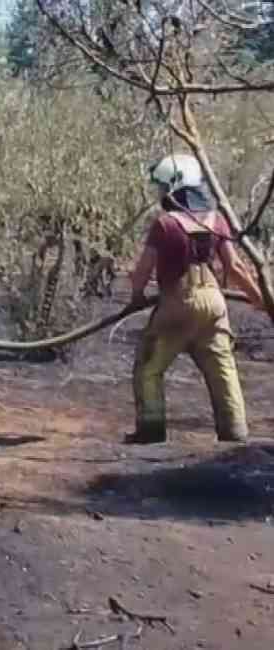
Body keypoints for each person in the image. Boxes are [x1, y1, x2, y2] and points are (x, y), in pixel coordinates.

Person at [128, 153, 266, 444]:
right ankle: (234, 430)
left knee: (149, 368)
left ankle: (150, 431)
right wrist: (259, 299)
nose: (160, 193)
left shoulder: (165, 224)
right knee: (222, 368)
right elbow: (235, 267)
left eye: (162, 187)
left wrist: (137, 296)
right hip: (214, 303)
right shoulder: (216, 220)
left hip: (179, 303)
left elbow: (142, 271)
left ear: (173, 187)